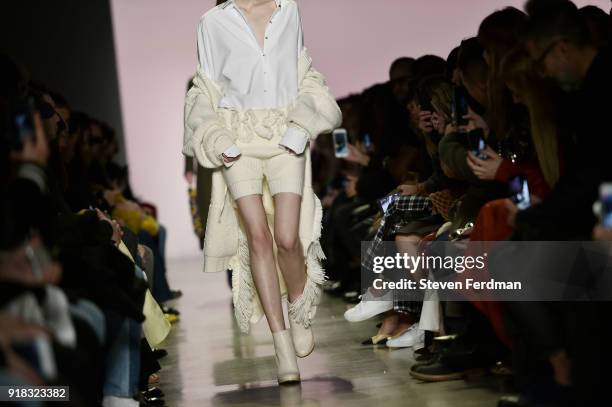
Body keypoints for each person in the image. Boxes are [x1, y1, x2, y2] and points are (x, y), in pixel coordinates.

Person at [182, 0, 341, 384]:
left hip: (286, 133)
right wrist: (217, 136)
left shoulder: (289, 10)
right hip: (237, 140)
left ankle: (300, 307)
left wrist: (302, 124)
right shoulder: (212, 22)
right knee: (258, 237)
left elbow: (302, 73)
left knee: (287, 238)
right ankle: (281, 344)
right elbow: (206, 86)